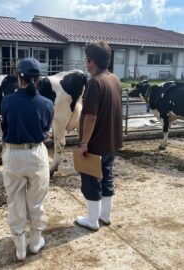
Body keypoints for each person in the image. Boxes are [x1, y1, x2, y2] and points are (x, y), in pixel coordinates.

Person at [1, 57, 54, 260]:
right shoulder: (47, 104)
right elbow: (45, 130)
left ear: (18, 77)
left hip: (13, 154)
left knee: (15, 200)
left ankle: (20, 248)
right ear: (38, 80)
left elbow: (5, 128)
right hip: (36, 153)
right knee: (36, 200)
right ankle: (35, 242)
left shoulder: (7, 101)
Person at [76, 41, 123, 231]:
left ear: (92, 61)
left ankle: (92, 220)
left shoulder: (95, 83)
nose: (86, 64)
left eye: (87, 60)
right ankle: (105, 216)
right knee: (107, 176)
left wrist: (84, 143)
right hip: (111, 140)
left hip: (95, 143)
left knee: (91, 179)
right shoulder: (115, 79)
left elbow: (90, 117)